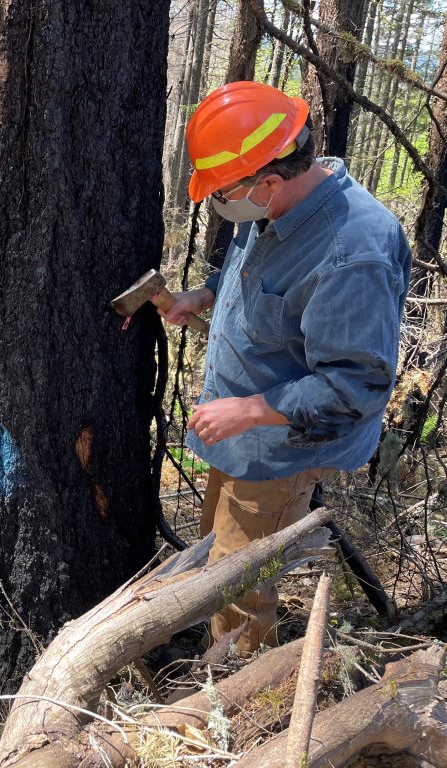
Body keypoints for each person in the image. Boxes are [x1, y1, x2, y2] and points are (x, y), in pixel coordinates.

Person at [161, 81, 411, 655]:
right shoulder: (278, 200)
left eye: (223, 194)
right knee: (216, 557)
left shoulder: (354, 254)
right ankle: (224, 660)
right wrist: (204, 295)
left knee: (240, 583)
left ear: (269, 182)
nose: (220, 206)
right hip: (240, 436)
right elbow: (259, 276)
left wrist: (249, 411)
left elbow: (356, 387)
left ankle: (234, 701)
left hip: (282, 446)